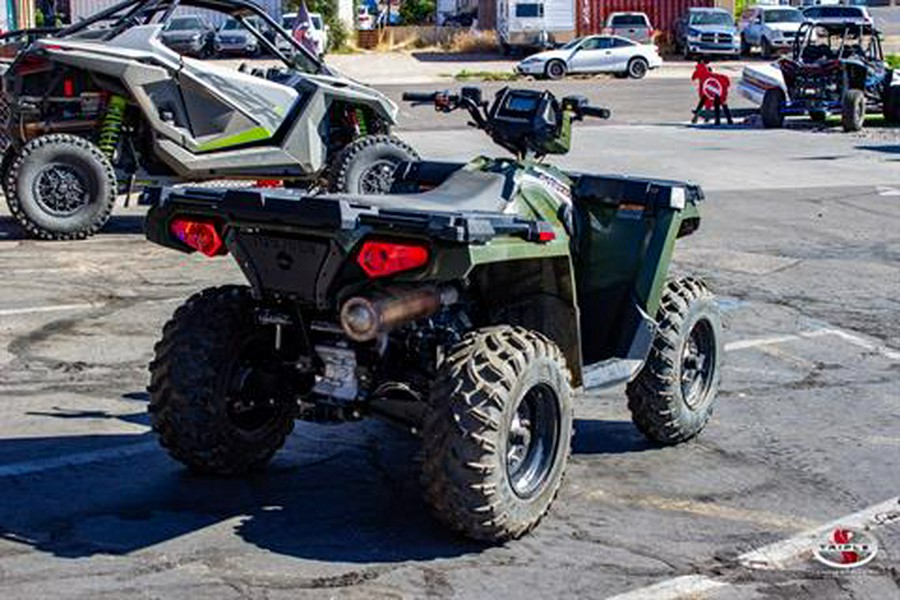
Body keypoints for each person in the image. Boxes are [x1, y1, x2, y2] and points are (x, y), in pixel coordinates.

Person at [691, 58, 733, 126]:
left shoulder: (705, 77)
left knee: (704, 104)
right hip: (714, 91)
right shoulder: (712, 77)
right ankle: (725, 120)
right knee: (719, 104)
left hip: (710, 92)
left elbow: (694, 77)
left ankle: (702, 118)